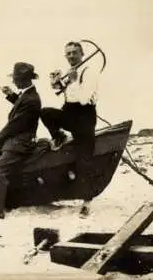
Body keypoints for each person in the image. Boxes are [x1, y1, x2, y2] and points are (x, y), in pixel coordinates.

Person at [40, 41, 100, 218]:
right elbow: (62, 92)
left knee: (84, 160)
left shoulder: (90, 71)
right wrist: (55, 84)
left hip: (85, 117)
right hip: (70, 112)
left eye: (75, 53)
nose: (72, 56)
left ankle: (87, 202)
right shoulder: (71, 71)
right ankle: (59, 136)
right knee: (45, 113)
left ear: (82, 54)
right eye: (68, 53)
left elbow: (82, 99)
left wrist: (73, 81)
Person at [0, 62, 41, 222]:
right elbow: (20, 104)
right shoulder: (27, 95)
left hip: (20, 141)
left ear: (24, 80)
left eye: (15, 78)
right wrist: (10, 95)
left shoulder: (32, 99)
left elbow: (15, 124)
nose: (13, 81)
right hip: (12, 139)